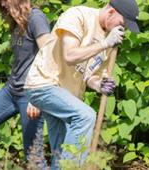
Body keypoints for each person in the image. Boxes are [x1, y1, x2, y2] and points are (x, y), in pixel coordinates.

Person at [23, 0, 139, 169]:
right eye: (123, 23)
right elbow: (70, 56)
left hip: (66, 95)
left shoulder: (109, 39)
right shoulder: (78, 15)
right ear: (111, 11)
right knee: (85, 116)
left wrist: (99, 84)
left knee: (61, 151)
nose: (123, 29)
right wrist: (104, 44)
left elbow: (89, 76)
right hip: (45, 83)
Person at [0, 0, 50, 162]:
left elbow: (49, 56)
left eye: (5, 1)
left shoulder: (36, 18)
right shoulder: (16, 21)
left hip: (31, 94)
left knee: (33, 155)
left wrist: (38, 95)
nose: (2, 5)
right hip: (11, 90)